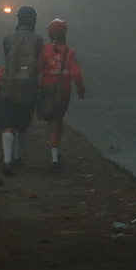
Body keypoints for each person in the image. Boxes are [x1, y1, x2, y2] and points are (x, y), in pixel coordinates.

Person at [0, 5, 44, 176]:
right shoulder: (39, 41)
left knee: (8, 125)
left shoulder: (8, 39)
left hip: (9, 86)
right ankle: (18, 157)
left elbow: (7, 59)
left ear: (19, 19)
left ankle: (7, 161)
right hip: (29, 88)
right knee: (22, 125)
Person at [37, 19, 85, 170]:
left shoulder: (44, 49)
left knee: (53, 121)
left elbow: (37, 68)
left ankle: (54, 157)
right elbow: (76, 73)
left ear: (50, 33)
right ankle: (56, 150)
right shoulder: (69, 52)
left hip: (47, 90)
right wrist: (80, 88)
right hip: (64, 92)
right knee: (58, 119)